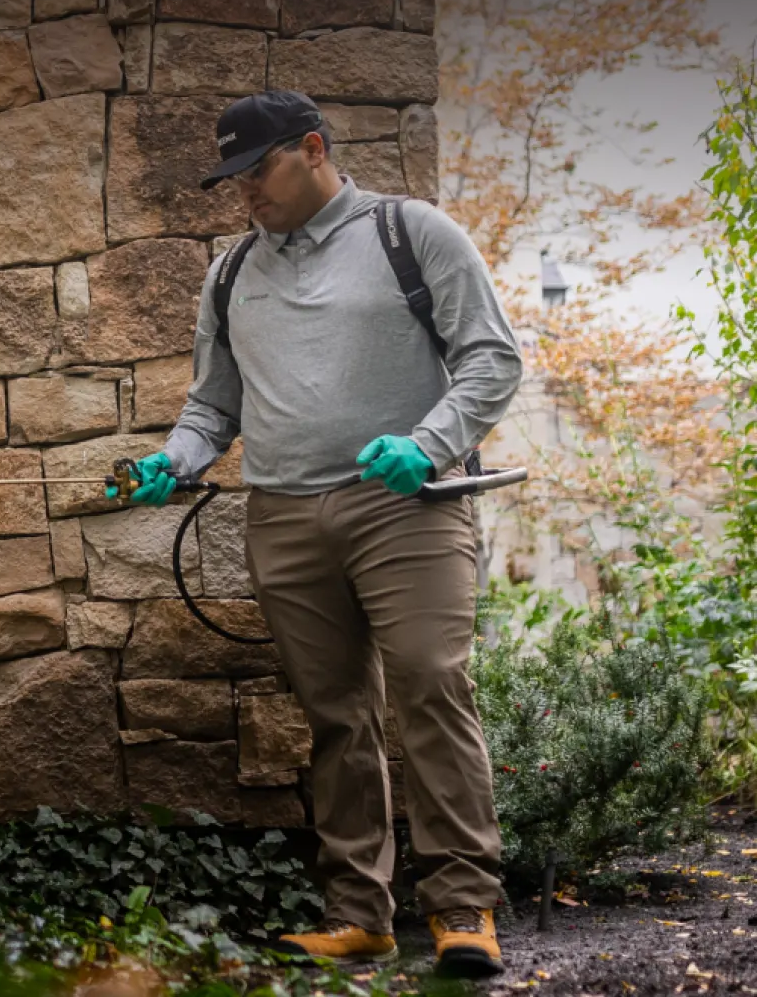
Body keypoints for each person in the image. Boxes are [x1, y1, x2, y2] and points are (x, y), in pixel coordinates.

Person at [129, 90, 522, 978]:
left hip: (405, 509)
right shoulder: (232, 271)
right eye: (232, 178)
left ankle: (463, 908)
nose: (244, 194)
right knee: (337, 718)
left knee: (430, 683)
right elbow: (212, 405)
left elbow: (493, 357)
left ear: (313, 149)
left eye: (256, 170)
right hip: (284, 518)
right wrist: (176, 458)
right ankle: (359, 915)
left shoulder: (410, 234)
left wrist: (426, 444)